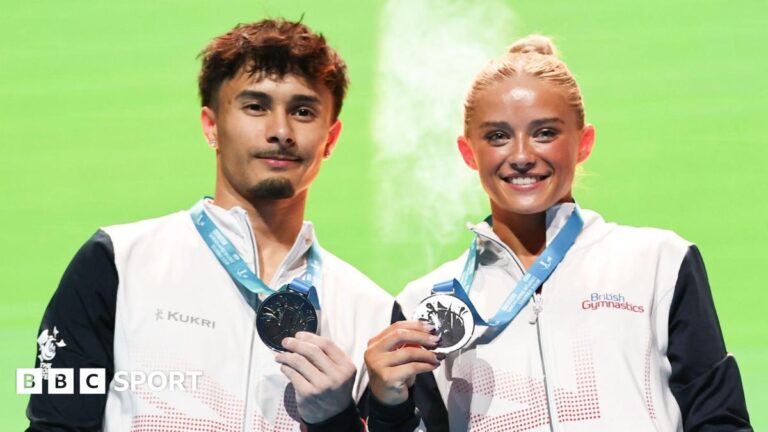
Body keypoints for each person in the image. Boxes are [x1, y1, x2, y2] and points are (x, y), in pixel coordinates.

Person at [363, 35, 752, 431]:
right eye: (497, 136)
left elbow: (719, 419)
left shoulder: (660, 263)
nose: (521, 156)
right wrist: (387, 407)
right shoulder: (425, 304)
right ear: (468, 152)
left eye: (545, 132)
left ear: (584, 143)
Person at [27, 19, 392, 431]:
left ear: (331, 138)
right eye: (255, 106)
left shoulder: (373, 312)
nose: (280, 131)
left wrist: (336, 421)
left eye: (303, 111)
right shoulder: (116, 262)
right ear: (211, 125)